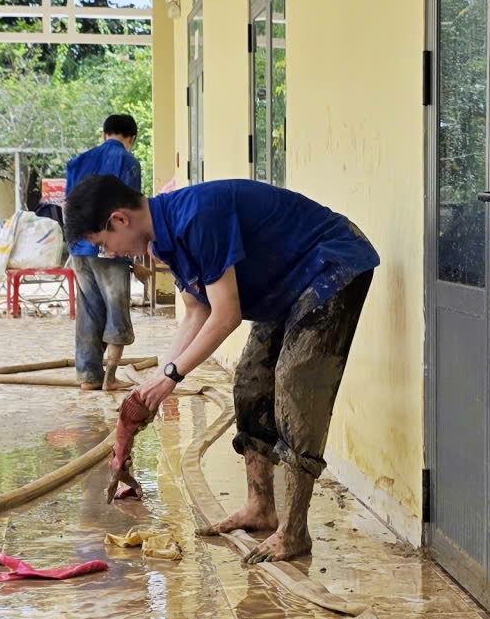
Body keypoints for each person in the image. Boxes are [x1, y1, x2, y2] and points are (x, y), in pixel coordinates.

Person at [67, 175, 377, 563]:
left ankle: (294, 530)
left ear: (119, 220)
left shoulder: (196, 216)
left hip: (333, 263)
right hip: (286, 283)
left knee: (295, 384)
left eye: (102, 243)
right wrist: (153, 382)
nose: (108, 253)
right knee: (249, 382)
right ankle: (260, 507)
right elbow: (197, 311)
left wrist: (172, 378)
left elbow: (226, 315)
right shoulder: (164, 239)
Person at [65, 113, 142, 390]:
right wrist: (134, 255)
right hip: (111, 247)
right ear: (131, 138)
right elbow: (132, 212)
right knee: (116, 308)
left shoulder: (77, 162)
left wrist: (74, 242)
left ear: (104, 134)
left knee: (89, 307)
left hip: (79, 245)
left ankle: (88, 377)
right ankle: (110, 378)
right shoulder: (128, 162)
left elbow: (68, 205)